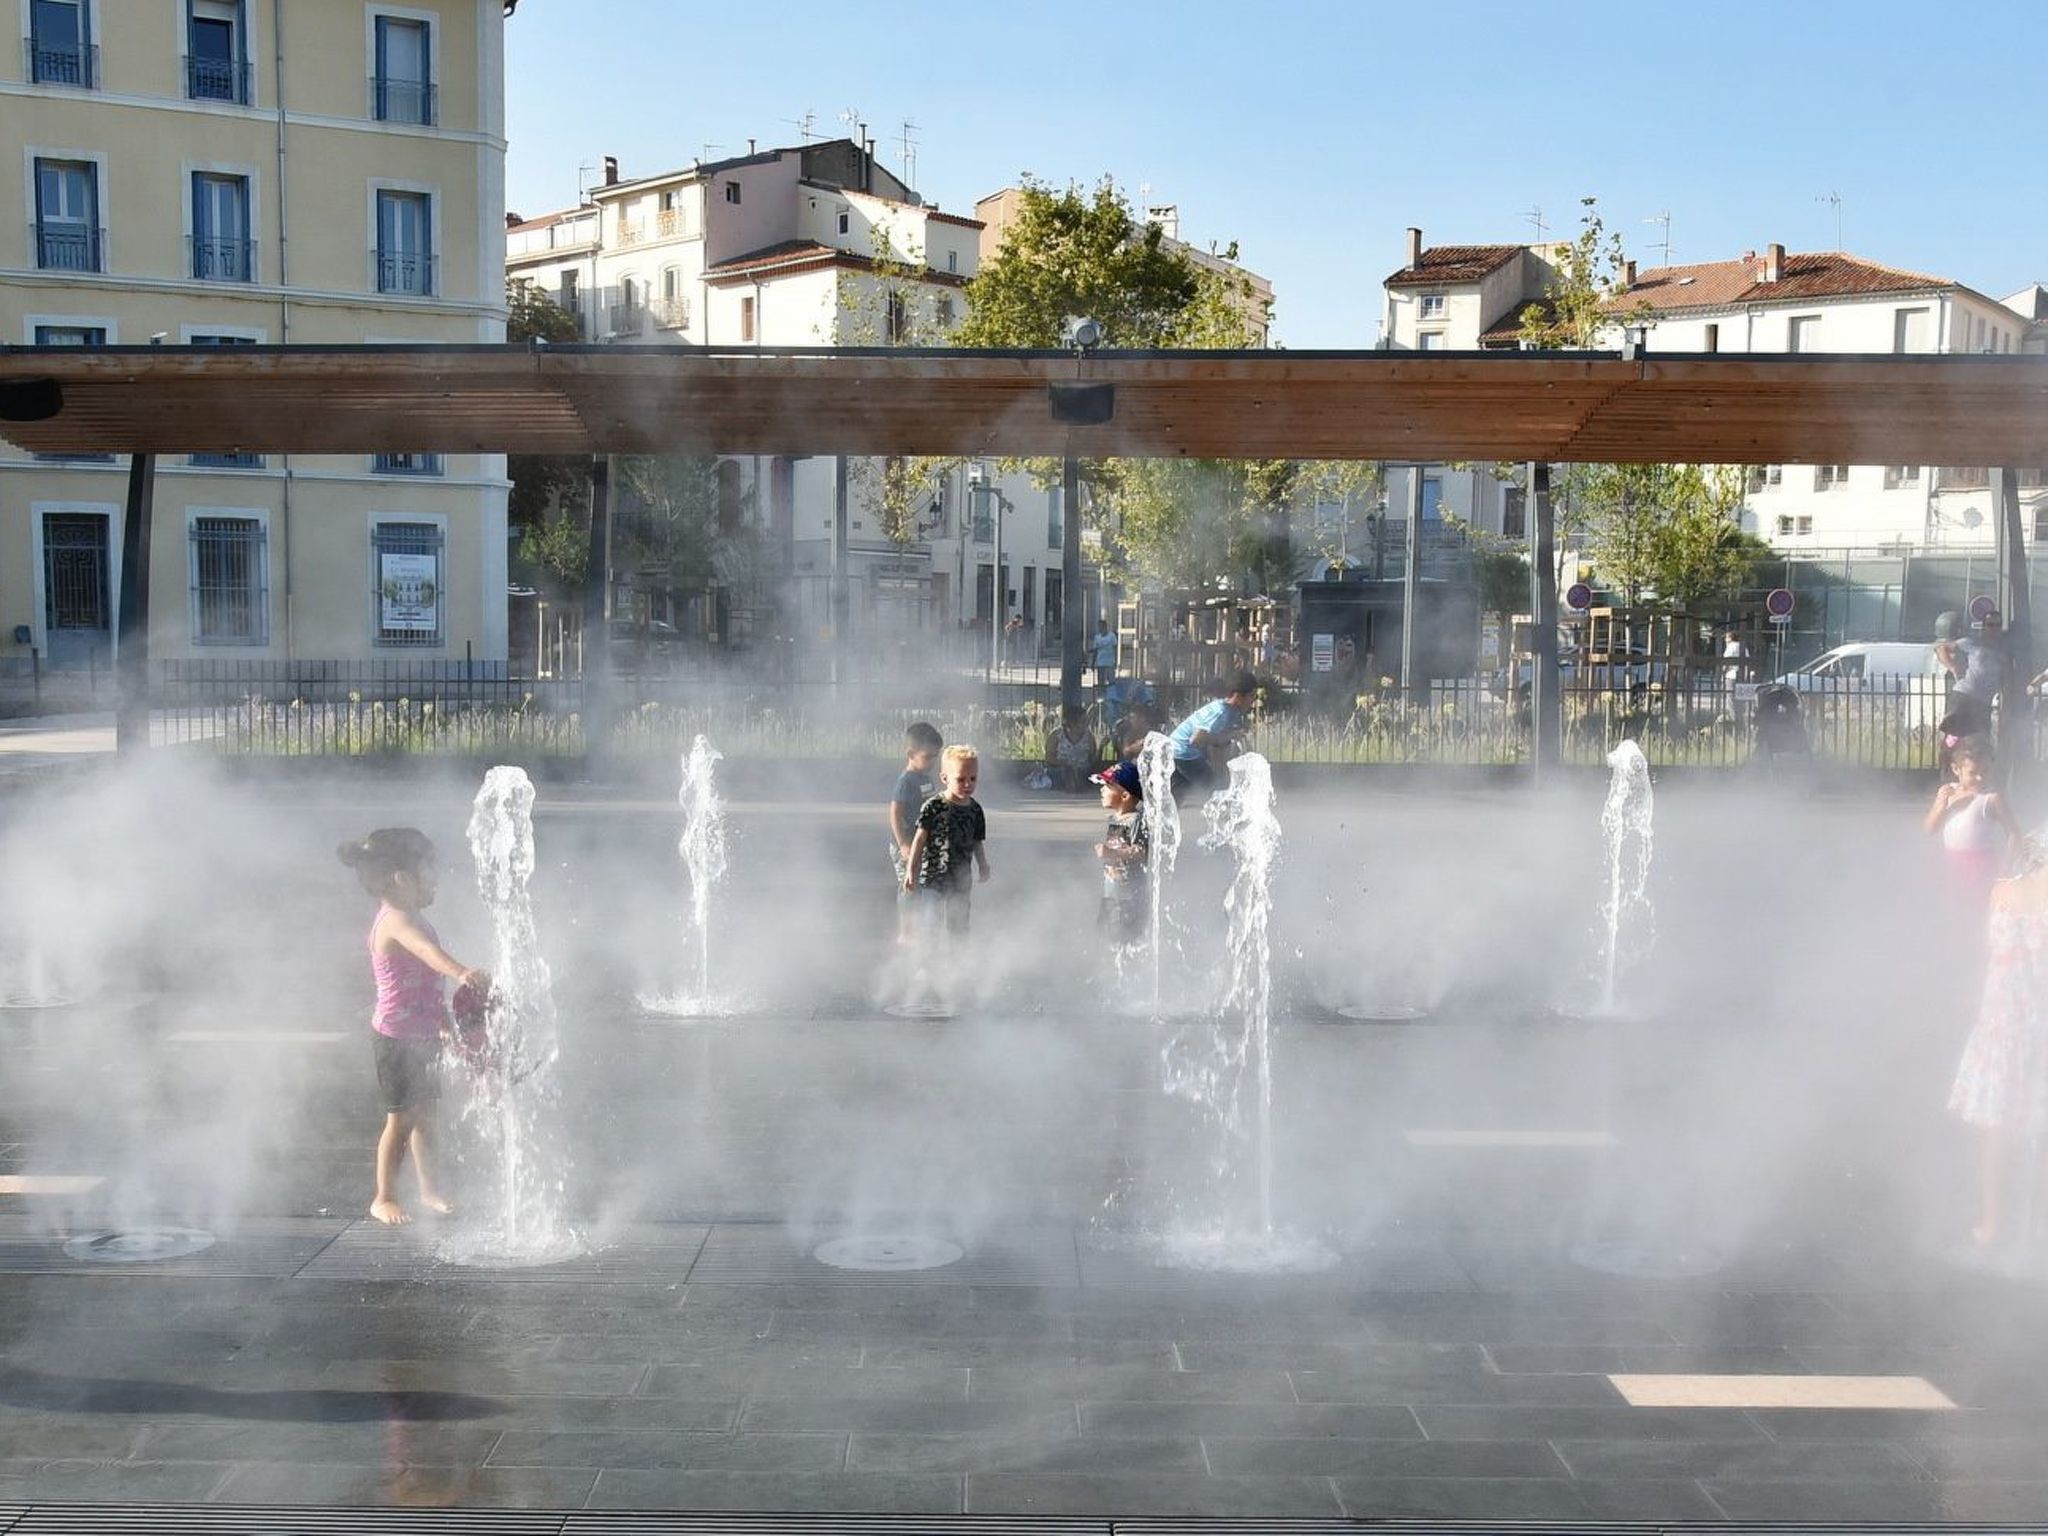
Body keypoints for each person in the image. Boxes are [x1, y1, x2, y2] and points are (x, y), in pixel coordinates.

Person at [337, 828, 486, 1227]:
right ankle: (382, 1197)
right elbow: (426, 953)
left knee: (426, 1116)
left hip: (421, 1033)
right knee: (400, 1119)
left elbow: (423, 981)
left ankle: (429, 1190)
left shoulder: (414, 916)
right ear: (402, 878)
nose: (436, 878)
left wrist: (442, 1024)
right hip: (396, 1040)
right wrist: (461, 972)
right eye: (429, 871)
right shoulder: (397, 922)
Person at [1951, 838, 2048, 1247]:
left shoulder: (2001, 892)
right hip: (2038, 1019)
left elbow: (1992, 949)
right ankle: (2040, 1228)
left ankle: (1991, 1225)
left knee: (1997, 1125)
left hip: (2001, 1020)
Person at [903, 743, 990, 935]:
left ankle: (957, 960)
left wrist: (983, 864)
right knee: (930, 923)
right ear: (945, 778)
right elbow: (919, 839)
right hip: (934, 877)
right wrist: (911, 869)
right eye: (961, 779)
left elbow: (977, 841)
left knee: (958, 924)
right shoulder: (933, 806)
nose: (968, 784)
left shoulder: (975, 810)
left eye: (973, 779)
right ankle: (927, 961)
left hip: (960, 879)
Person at [1926, 735, 2023, 906]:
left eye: (1985, 772)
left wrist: (2006, 866)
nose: (1980, 778)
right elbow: (1929, 829)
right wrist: (1942, 805)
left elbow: (2014, 833)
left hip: (1981, 868)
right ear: (1956, 769)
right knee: (1951, 911)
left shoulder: (1991, 798)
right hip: (1951, 865)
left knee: (1976, 911)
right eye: (1973, 773)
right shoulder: (1947, 792)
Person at [1165, 669, 1259, 802]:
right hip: (1184, 752)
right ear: (1238, 696)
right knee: (1215, 790)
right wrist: (1226, 737)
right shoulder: (1220, 712)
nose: (1253, 701)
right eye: (1251, 696)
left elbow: (1218, 742)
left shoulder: (1232, 712)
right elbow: (1196, 739)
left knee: (1179, 794)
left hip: (1179, 752)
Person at [889, 722, 943, 942]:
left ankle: (921, 926)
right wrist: (903, 843)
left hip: (922, 843)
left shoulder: (925, 778)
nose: (932, 762)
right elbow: (895, 813)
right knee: (908, 885)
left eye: (935, 757)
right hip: (907, 844)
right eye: (928, 757)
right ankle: (906, 931)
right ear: (911, 754)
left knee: (922, 883)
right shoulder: (906, 781)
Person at [1092, 759, 1149, 946]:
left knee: (1127, 938)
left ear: (1125, 795)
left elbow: (1141, 851)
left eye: (1108, 786)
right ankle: (1111, 969)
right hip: (1112, 892)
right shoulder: (1114, 819)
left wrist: (1113, 853)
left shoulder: (1135, 821)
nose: (1102, 790)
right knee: (1107, 936)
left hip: (1130, 896)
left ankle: (1130, 968)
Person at [1937, 608, 2010, 754]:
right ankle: (1946, 768)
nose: (1994, 629)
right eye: (1990, 625)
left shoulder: (2004, 651)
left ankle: (1973, 771)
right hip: (1965, 696)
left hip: (1983, 702)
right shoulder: (1972, 642)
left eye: (1997, 625)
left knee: (1979, 741)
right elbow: (1941, 648)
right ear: (1984, 626)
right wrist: (1953, 667)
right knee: (1953, 738)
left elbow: (2005, 678)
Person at [1043, 704, 1098, 793]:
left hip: (1082, 767)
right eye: (1083, 721)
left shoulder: (1089, 736)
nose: (1086, 724)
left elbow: (1092, 759)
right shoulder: (1056, 735)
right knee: (1059, 772)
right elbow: (1049, 757)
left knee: (1084, 771)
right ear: (1073, 722)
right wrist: (1064, 764)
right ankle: (1071, 782)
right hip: (1060, 767)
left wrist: (1101, 747)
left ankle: (1077, 781)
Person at [1091, 620, 1119, 689]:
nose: (1100, 628)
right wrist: (1093, 663)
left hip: (1110, 662)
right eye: (1099, 627)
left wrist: (1116, 661)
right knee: (1101, 681)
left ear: (1105, 627)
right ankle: (1101, 695)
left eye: (1101, 626)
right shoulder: (1097, 637)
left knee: (1111, 681)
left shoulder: (1112, 636)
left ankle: (1111, 695)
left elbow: (1115, 649)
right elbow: (1095, 651)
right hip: (1100, 663)